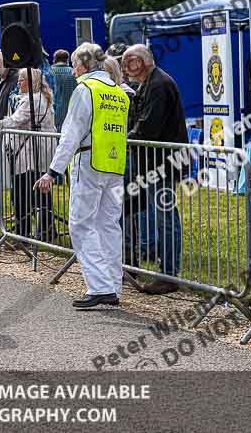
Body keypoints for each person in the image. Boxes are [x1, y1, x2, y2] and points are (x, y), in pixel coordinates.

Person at [35, 43, 129, 308]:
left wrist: (52, 171)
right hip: (115, 165)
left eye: (75, 64)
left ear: (84, 64)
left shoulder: (85, 89)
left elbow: (71, 134)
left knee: (80, 225)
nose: (73, 69)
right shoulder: (118, 92)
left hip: (89, 163)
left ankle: (100, 286)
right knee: (109, 226)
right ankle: (113, 285)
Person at [123, 44, 188, 295]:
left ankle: (168, 274)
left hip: (162, 163)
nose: (125, 66)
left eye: (129, 61)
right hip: (153, 161)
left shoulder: (159, 85)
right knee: (157, 214)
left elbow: (148, 126)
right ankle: (159, 265)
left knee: (165, 216)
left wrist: (125, 139)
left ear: (141, 62)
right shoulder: (148, 84)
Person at [0, 68, 56, 240]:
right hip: (35, 151)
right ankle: (45, 231)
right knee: (38, 191)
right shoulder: (40, 98)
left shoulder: (33, 99)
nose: (18, 83)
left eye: (21, 80)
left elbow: (14, 121)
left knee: (23, 192)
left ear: (31, 81)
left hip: (30, 152)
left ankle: (24, 233)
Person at [51, 49, 77, 131]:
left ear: (54, 59)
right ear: (67, 60)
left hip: (52, 112)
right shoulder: (73, 72)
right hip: (68, 113)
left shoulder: (49, 72)